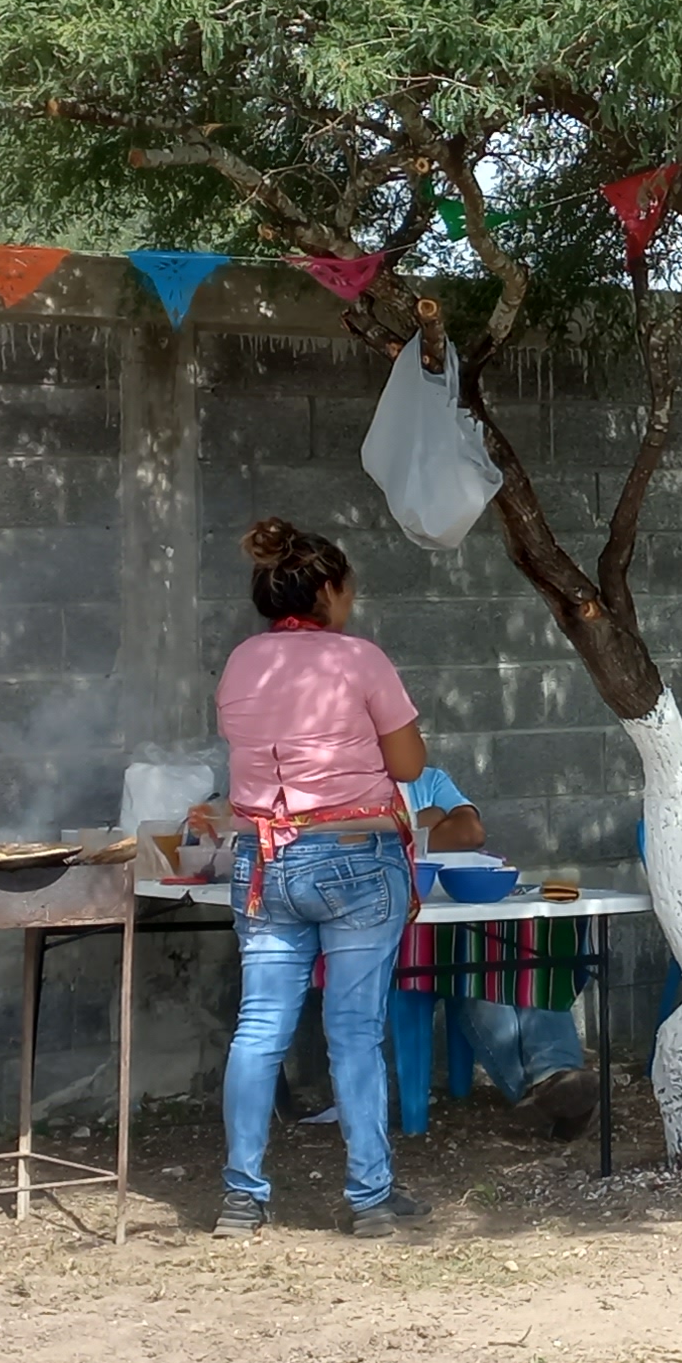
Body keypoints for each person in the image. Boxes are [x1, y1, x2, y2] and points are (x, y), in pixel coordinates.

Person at [212, 515, 433, 1240]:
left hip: (263, 862)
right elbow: (408, 765)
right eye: (349, 589)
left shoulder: (241, 663)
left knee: (258, 1029)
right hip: (355, 856)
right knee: (355, 1034)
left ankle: (241, 1198)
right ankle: (370, 1197)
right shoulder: (360, 659)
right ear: (329, 589)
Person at [410, 757, 594, 1136]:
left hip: (466, 912)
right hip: (406, 928)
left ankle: (556, 1080)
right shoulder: (356, 783)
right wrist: (431, 820)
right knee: (472, 977)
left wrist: (414, 829)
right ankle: (553, 1097)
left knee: (532, 958)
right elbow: (378, 842)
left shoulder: (430, 779)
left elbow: (469, 834)